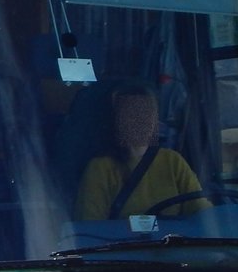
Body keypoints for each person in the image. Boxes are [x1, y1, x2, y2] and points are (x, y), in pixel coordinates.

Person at [74, 86, 211, 221]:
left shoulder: (173, 161)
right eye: (132, 114)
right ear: (116, 121)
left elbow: (203, 213)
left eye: (147, 112)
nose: (141, 120)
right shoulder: (100, 168)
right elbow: (90, 225)